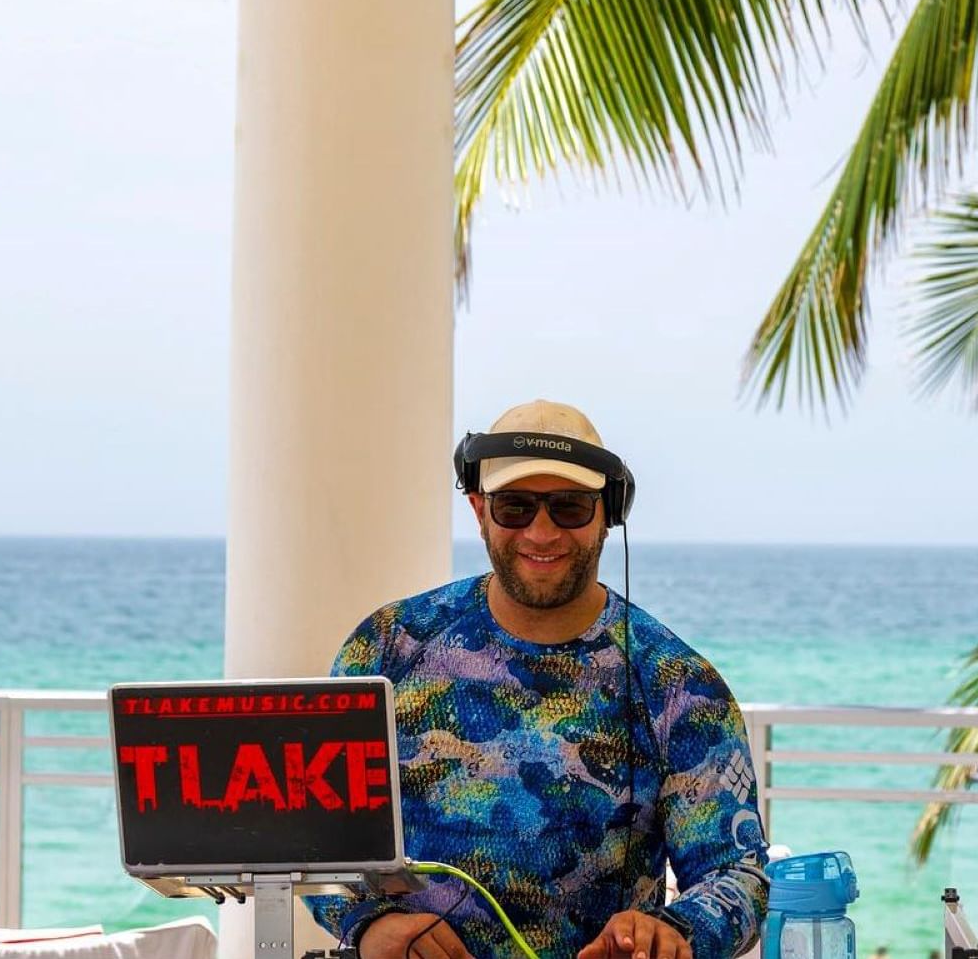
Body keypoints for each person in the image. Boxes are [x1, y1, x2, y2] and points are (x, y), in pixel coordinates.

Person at [304, 400, 770, 959]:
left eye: (569, 507)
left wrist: (675, 934)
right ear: (479, 511)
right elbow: (309, 841)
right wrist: (368, 924)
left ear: (608, 514)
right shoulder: (387, 646)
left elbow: (737, 874)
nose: (542, 532)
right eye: (516, 507)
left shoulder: (677, 683)